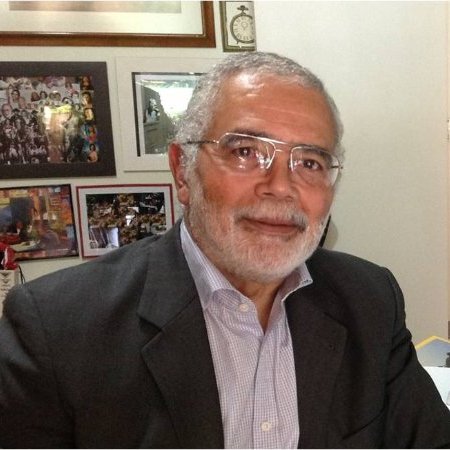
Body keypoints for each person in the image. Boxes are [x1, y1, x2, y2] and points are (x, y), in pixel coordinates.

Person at [0, 52, 449, 449]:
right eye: (246, 152)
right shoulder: (56, 328)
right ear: (182, 169)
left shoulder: (370, 299)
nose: (280, 187)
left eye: (309, 162)